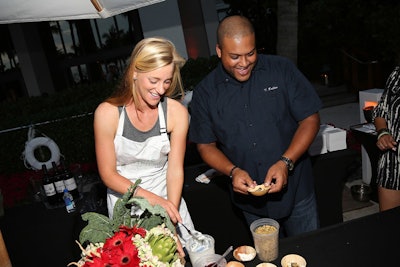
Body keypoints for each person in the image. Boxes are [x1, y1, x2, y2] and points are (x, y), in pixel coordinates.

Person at [188, 15, 322, 237]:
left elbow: (310, 119)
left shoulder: (281, 69)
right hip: (251, 205)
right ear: (219, 51)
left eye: (250, 53)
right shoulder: (205, 93)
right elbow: (205, 146)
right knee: (268, 258)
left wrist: (285, 161)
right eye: (234, 56)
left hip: (298, 192)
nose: (244, 63)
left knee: (307, 252)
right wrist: (232, 171)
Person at [93, 37, 195, 255]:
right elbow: (108, 175)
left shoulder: (177, 113)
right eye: (154, 80)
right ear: (135, 72)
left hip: (169, 197)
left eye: (167, 81)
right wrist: (153, 200)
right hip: (126, 206)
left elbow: (175, 170)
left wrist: (169, 217)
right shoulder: (107, 114)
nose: (161, 89)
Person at [373, 66, 400, 211]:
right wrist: (383, 133)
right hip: (392, 163)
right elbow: (380, 111)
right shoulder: (397, 74)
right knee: (389, 228)